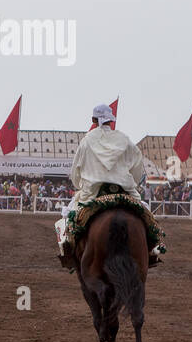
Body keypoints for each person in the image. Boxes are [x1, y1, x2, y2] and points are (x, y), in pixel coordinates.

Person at [55, 102, 163, 267]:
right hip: (125, 192)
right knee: (148, 218)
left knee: (68, 218)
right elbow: (137, 168)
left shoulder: (86, 141)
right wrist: (130, 183)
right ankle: (153, 250)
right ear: (111, 120)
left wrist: (80, 185)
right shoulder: (125, 140)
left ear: (93, 119)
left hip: (92, 193)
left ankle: (67, 251)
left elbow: (75, 174)